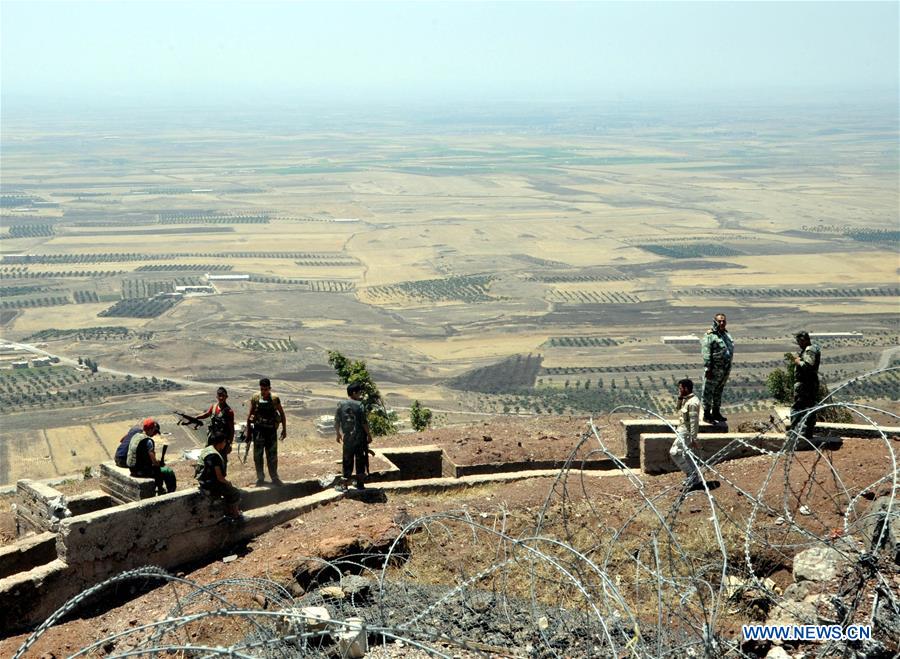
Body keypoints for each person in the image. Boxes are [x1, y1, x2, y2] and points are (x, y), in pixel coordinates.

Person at [247, 377, 286, 486]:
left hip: (271, 431)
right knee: (258, 456)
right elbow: (250, 415)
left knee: (272, 456)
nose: (263, 391)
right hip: (259, 431)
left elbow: (282, 414)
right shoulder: (255, 398)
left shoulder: (274, 399)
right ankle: (260, 478)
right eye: (262, 389)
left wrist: (284, 430)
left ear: (269, 388)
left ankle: (274, 477)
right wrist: (248, 433)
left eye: (265, 389)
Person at [334, 382, 373, 491]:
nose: (360, 394)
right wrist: (369, 435)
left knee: (347, 460)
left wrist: (338, 434)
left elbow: (337, 421)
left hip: (348, 439)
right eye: (359, 392)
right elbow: (364, 422)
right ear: (354, 393)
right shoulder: (360, 405)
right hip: (360, 439)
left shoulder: (341, 404)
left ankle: (344, 485)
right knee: (360, 460)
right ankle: (360, 484)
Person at [196, 433, 243, 522]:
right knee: (235, 492)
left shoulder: (207, 450)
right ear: (220, 443)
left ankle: (229, 511)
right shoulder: (214, 456)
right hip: (210, 483)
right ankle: (236, 515)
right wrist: (228, 483)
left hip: (203, 480)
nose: (225, 444)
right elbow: (220, 477)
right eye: (224, 442)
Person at [669, 378, 704, 491]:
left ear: (686, 388)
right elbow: (678, 408)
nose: (679, 390)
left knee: (674, 452)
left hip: (687, 432)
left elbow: (694, 422)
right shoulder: (686, 399)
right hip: (682, 430)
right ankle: (695, 479)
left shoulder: (693, 402)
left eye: (680, 388)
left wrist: (693, 438)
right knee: (686, 456)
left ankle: (691, 476)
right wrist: (680, 397)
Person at [126, 418, 177, 495]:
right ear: (151, 429)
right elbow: (154, 462)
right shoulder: (148, 441)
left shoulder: (136, 436)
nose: (155, 433)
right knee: (167, 471)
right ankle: (170, 493)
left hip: (132, 468)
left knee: (157, 469)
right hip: (141, 471)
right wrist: (159, 463)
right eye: (155, 431)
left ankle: (160, 488)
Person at [701, 313, 734, 423]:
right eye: (719, 321)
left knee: (718, 391)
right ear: (714, 321)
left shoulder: (726, 335)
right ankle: (706, 414)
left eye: (723, 321)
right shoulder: (710, 336)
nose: (722, 323)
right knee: (708, 391)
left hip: (724, 370)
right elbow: (706, 353)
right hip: (713, 370)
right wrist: (708, 369)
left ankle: (716, 412)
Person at [791, 331, 821, 441]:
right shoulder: (811, 349)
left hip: (805, 384)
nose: (798, 344)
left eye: (799, 341)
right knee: (810, 408)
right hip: (810, 384)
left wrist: (798, 361)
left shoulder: (810, 350)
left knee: (797, 408)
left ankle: (794, 433)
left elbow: (808, 366)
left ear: (804, 340)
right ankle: (807, 433)